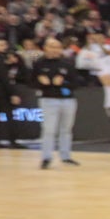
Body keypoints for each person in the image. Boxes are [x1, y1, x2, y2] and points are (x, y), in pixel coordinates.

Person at [33, 37, 80, 169]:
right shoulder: (39, 63)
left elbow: (77, 83)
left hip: (68, 100)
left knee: (66, 129)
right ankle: (46, 157)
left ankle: (66, 156)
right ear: (45, 48)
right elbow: (30, 82)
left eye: (57, 47)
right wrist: (40, 82)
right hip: (48, 99)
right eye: (51, 46)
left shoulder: (68, 63)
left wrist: (64, 82)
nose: (54, 50)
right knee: (48, 129)